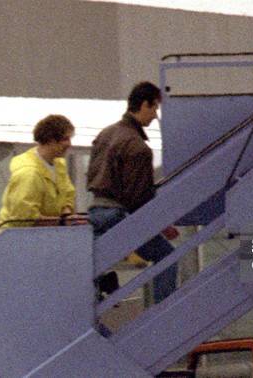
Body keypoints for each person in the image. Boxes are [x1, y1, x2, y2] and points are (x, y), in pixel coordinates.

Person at [87, 81, 179, 304]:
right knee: (167, 256)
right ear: (145, 105)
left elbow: (90, 176)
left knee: (91, 265)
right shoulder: (138, 148)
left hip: (95, 212)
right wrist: (158, 224)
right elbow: (139, 198)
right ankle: (162, 311)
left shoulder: (105, 134)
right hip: (118, 215)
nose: (155, 115)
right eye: (155, 108)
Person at [0, 114, 83, 229]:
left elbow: (68, 194)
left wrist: (66, 214)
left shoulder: (59, 165)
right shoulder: (29, 173)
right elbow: (23, 218)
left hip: (45, 234)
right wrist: (62, 222)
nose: (69, 144)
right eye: (65, 139)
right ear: (51, 140)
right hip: (18, 238)